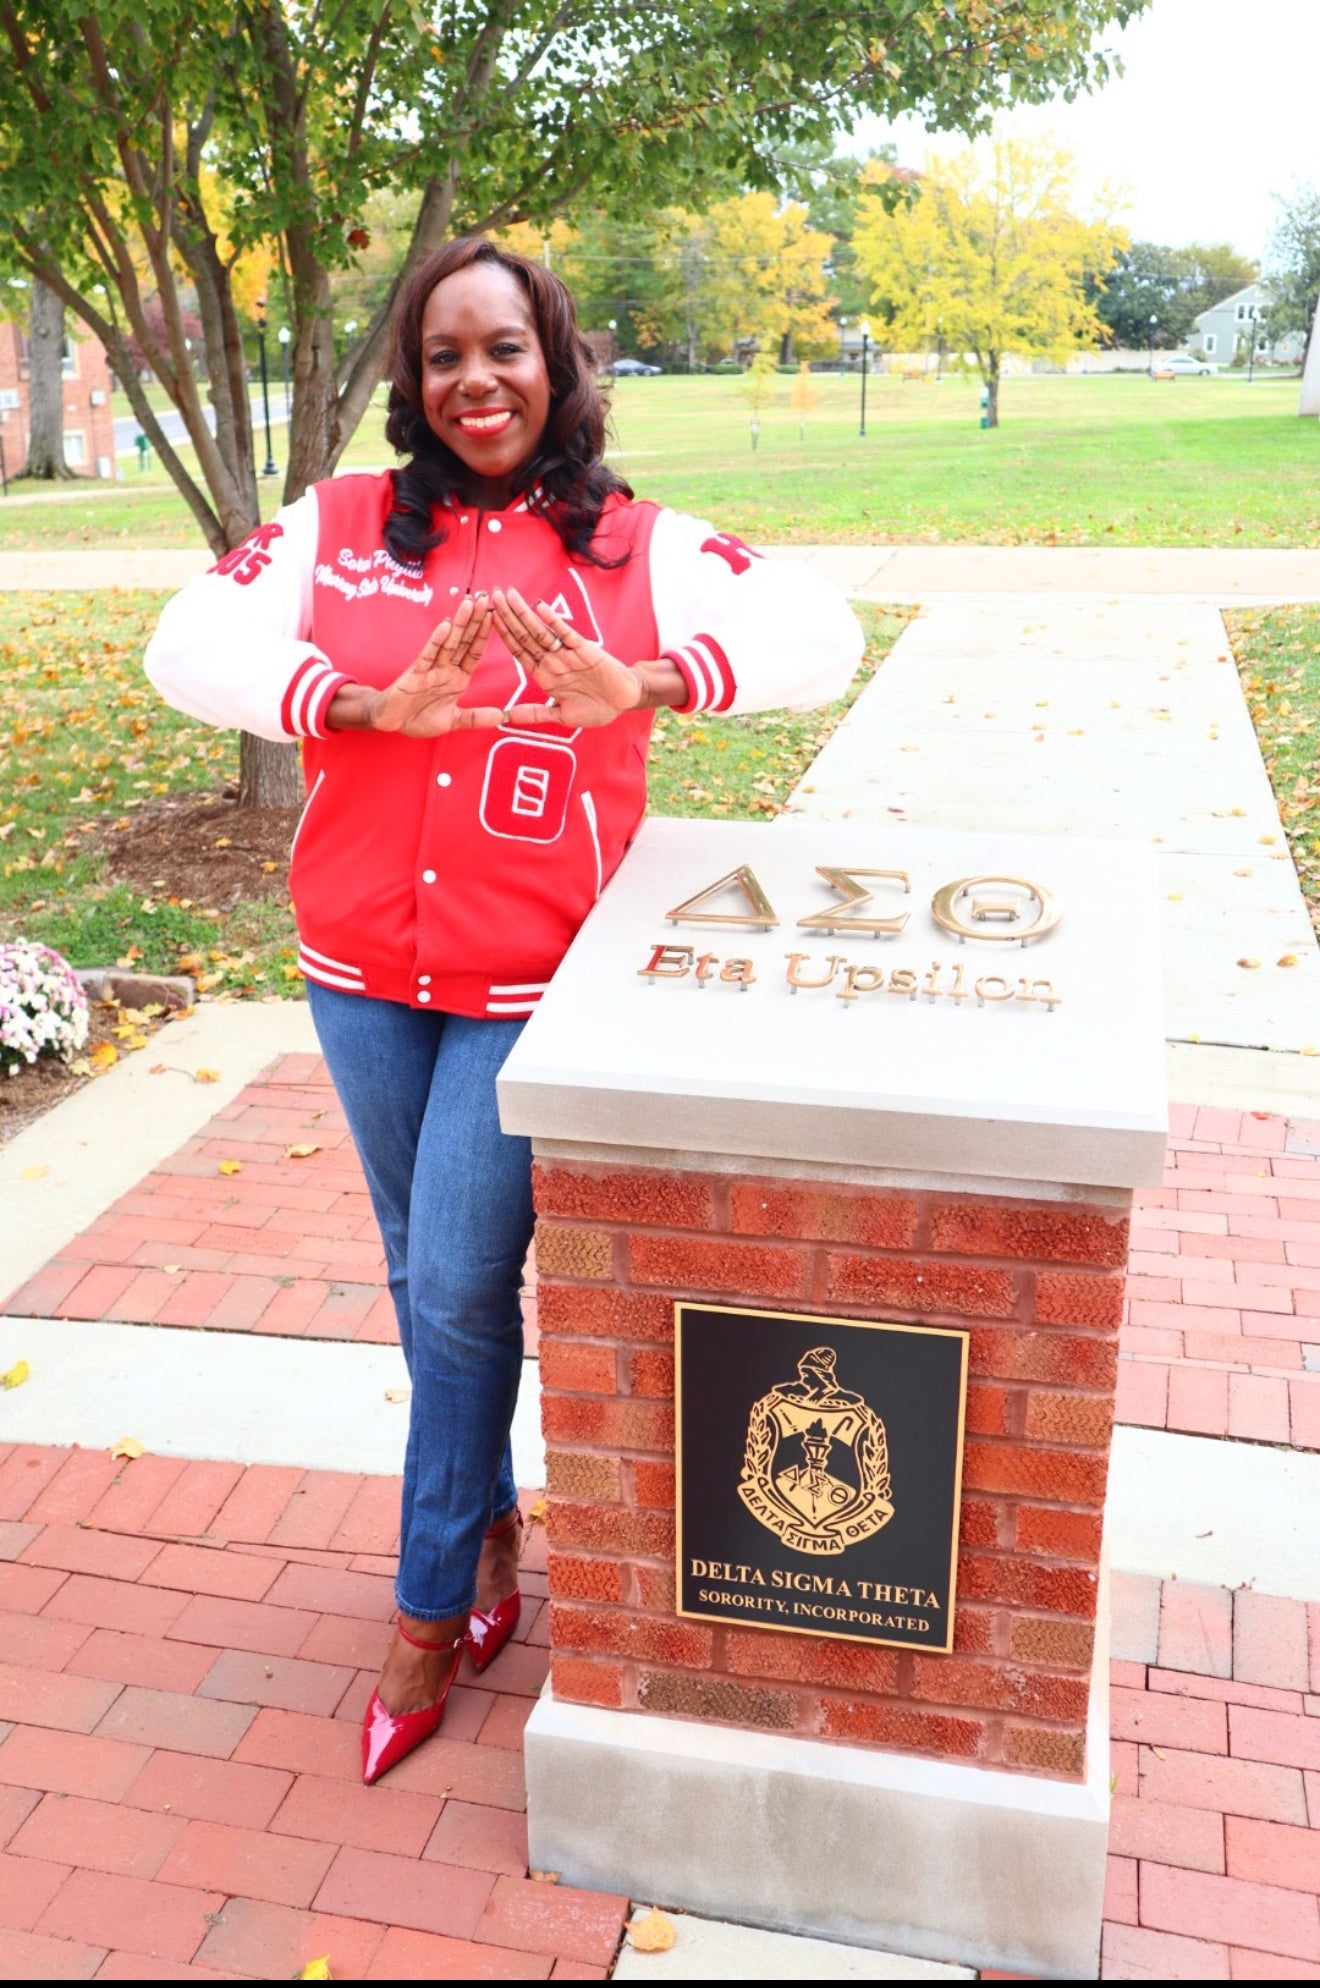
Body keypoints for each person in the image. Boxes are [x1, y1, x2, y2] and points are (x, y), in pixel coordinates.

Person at [145, 236, 864, 1786]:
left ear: (558, 362)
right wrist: (356, 704)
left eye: (505, 349)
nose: (476, 380)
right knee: (423, 1275)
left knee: (464, 1290)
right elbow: (184, 645)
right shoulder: (341, 528)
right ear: (413, 382)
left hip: (527, 987)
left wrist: (651, 681)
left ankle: (428, 1613)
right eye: (444, 355)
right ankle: (483, 1529)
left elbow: (825, 631)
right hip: (360, 976)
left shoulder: (631, 542)